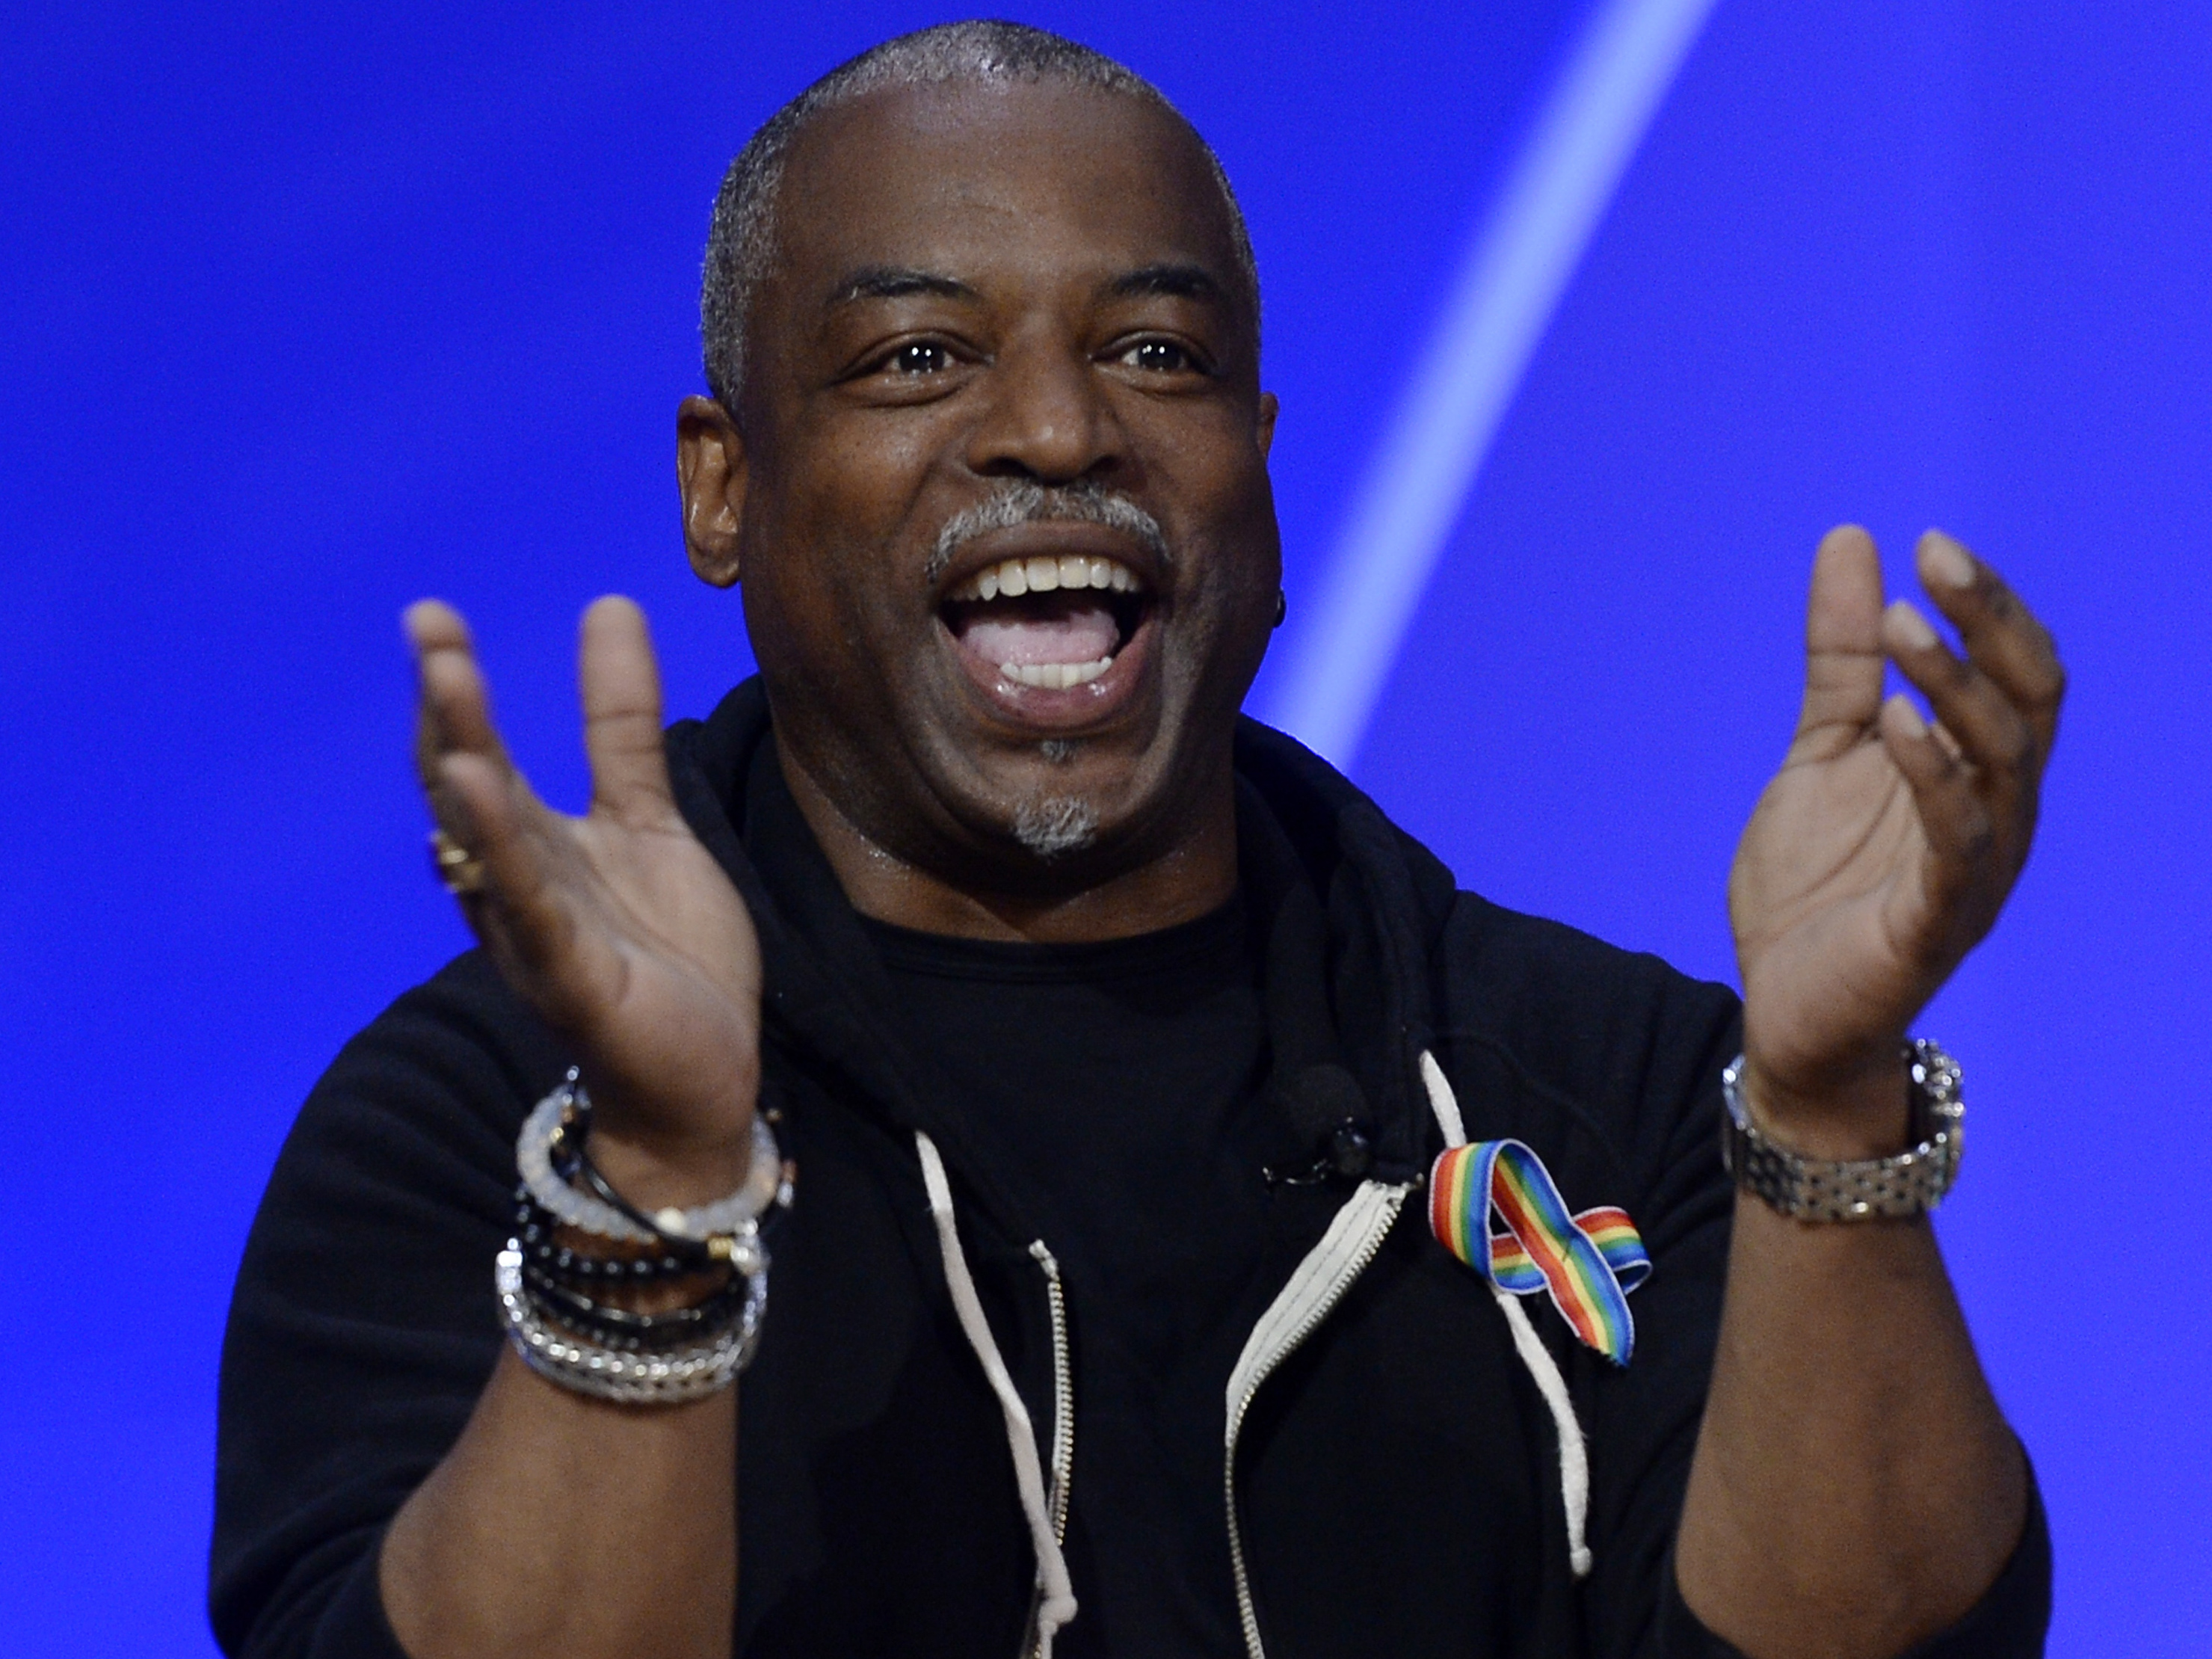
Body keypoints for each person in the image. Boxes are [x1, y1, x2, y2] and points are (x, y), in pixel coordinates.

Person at [210, 22, 2060, 1659]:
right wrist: (656, 1195)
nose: (1053, 428)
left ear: (1258, 470)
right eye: (919, 355)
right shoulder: (474, 1128)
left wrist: (1823, 1116)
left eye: (1155, 352)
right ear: (724, 481)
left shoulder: (1615, 1088)